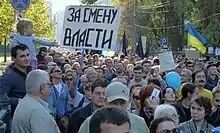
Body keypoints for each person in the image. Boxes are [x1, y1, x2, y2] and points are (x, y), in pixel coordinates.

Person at [78, 82, 149, 133]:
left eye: (122, 103)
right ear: (105, 102)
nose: (118, 107)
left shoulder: (139, 122)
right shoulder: (90, 122)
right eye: (113, 103)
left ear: (128, 103)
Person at [0, 44, 30, 116]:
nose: (27, 58)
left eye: (28, 55)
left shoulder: (30, 73)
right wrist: (17, 101)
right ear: (14, 58)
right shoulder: (8, 77)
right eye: (22, 56)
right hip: (15, 118)